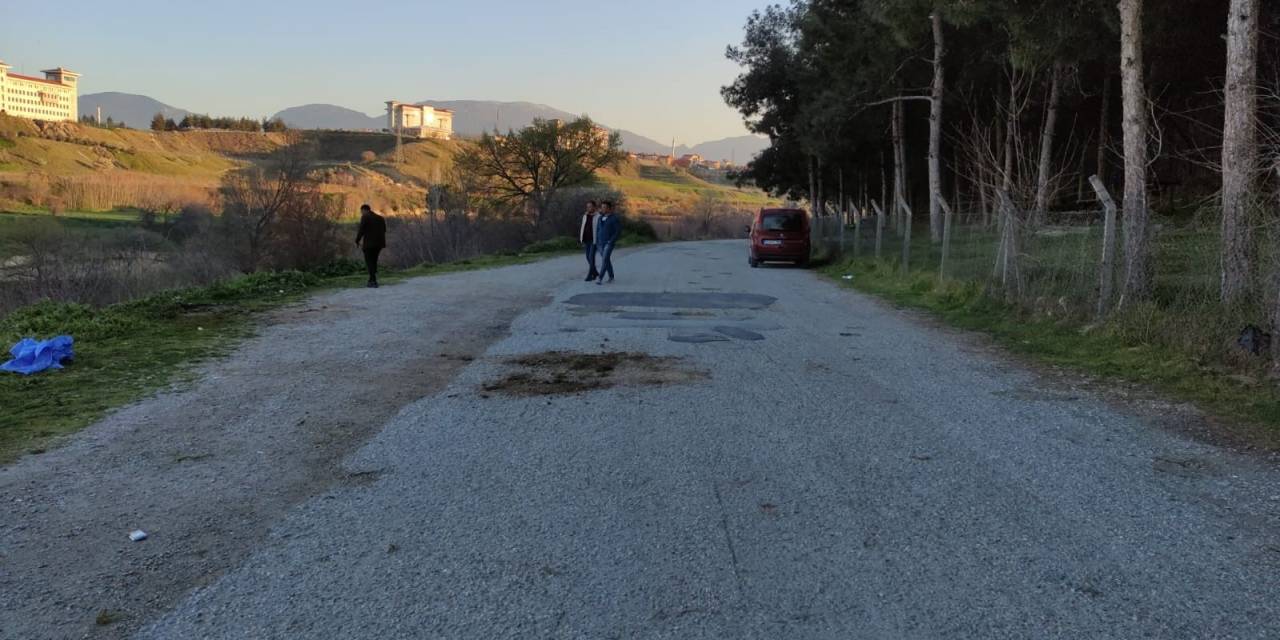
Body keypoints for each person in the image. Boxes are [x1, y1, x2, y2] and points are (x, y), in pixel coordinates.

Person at [355, 204, 387, 288]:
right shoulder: (380, 218)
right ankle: (371, 279)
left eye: (361, 211)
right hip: (379, 243)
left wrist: (357, 240)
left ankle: (373, 281)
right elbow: (384, 230)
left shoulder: (365, 217)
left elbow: (361, 230)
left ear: (364, 210)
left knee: (369, 261)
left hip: (369, 244)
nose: (361, 213)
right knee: (374, 261)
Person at [595, 200, 621, 284]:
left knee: (605, 259)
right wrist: (596, 240)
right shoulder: (600, 218)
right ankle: (611, 277)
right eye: (602, 207)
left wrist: (611, 241)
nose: (603, 209)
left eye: (605, 207)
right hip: (600, 243)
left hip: (608, 243)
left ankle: (600, 278)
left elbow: (617, 231)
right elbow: (598, 230)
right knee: (606, 260)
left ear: (610, 208)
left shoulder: (614, 218)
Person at [578, 200, 600, 281]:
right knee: (588, 257)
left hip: (594, 240)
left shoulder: (598, 216)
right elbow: (583, 227)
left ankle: (590, 275)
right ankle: (595, 272)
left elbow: (600, 229)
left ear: (594, 207)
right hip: (586, 239)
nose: (588, 208)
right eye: (587, 207)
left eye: (590, 206)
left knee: (591, 257)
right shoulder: (585, 216)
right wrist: (581, 238)